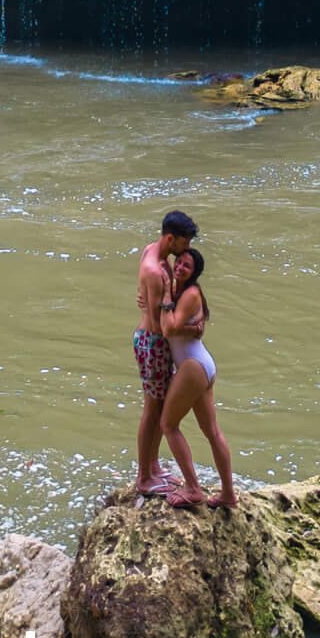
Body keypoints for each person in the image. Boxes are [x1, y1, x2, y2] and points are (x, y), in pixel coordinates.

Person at [160, 248, 238, 510]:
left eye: (187, 266)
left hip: (194, 367)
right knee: (212, 432)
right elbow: (179, 326)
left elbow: (169, 327)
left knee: (168, 425)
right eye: (179, 262)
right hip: (201, 365)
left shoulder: (190, 293)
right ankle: (228, 495)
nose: (180, 267)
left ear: (194, 274)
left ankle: (193, 488)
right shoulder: (178, 290)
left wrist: (163, 300)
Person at [133, 208, 196, 497]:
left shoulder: (151, 251)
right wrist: (189, 325)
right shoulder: (156, 271)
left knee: (158, 407)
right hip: (153, 343)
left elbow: (146, 299)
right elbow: (162, 325)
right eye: (184, 243)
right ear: (171, 239)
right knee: (152, 409)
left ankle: (154, 466)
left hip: (149, 340)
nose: (188, 249)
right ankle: (144, 477)